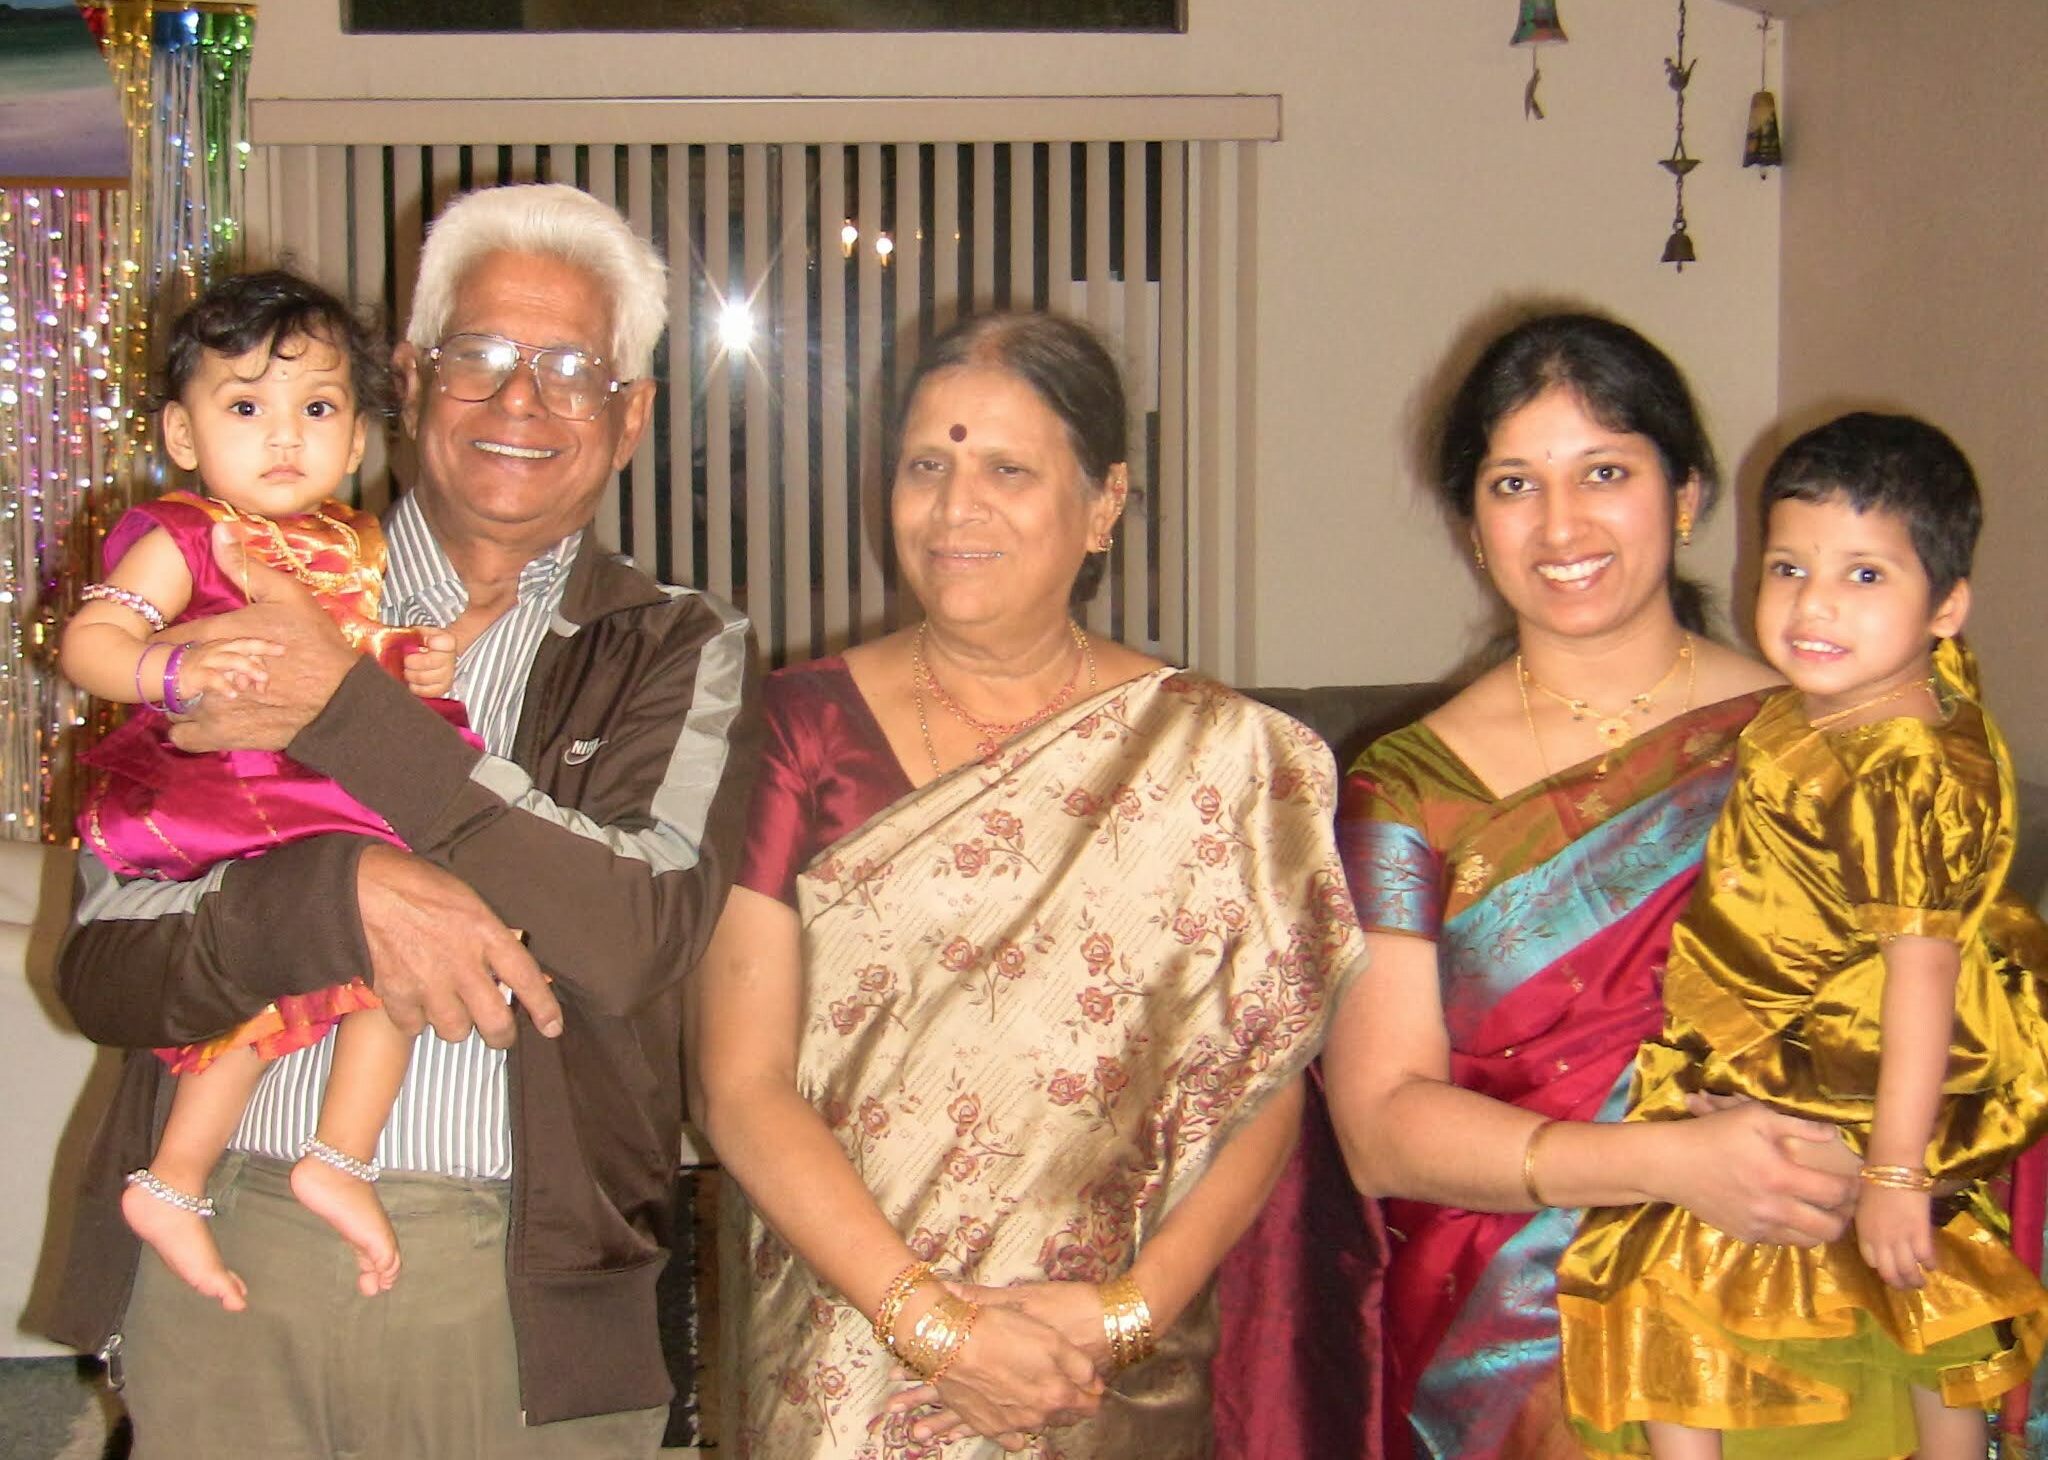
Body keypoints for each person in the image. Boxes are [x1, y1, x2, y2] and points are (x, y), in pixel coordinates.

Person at [44, 182, 758, 1458]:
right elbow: (102, 969)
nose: (520, 400)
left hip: (518, 1289)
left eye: (571, 369)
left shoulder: (671, 644)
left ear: (631, 416)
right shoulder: (230, 582)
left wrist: (348, 714)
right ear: (415, 382)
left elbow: (633, 936)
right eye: (479, 355)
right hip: (224, 1248)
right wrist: (339, 896)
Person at [689, 310, 1364, 1458]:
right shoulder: (794, 732)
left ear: (1104, 504)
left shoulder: (1217, 759)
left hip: (1099, 1378)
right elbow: (739, 1086)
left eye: (1006, 470)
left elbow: (1259, 1090)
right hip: (850, 1363)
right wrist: (932, 1328)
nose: (955, 509)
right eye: (925, 467)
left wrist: (1128, 1315)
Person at [1213, 312, 1861, 1460]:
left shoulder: (1819, 739)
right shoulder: (1409, 789)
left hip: (1797, 1245)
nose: (1560, 525)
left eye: (1603, 472)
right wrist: (1667, 1167)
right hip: (1514, 1310)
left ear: (1685, 496)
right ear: (1472, 527)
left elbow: (1930, 1019)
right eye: (1514, 484)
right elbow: (1381, 1129)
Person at [1556, 413, 2048, 1458]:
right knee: (1855, 1286)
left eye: (1864, 575)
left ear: (1945, 607)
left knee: (1716, 1267)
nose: (1812, 602)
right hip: (1788, 1038)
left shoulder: (1905, 766)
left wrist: (1896, 1172)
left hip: (1863, 1070)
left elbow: (1922, 975)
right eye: (1787, 567)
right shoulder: (1821, 710)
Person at [61, 269, 486, 1314]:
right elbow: (91, 643)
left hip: (328, 788)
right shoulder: (187, 536)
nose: (285, 434)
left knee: (396, 961)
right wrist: (173, 669)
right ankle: (179, 1178)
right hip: (229, 784)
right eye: (246, 407)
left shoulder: (353, 541)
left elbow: (350, 651)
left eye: (319, 408)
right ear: (184, 432)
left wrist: (412, 659)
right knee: (260, 990)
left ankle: (333, 1157)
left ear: (358, 441)